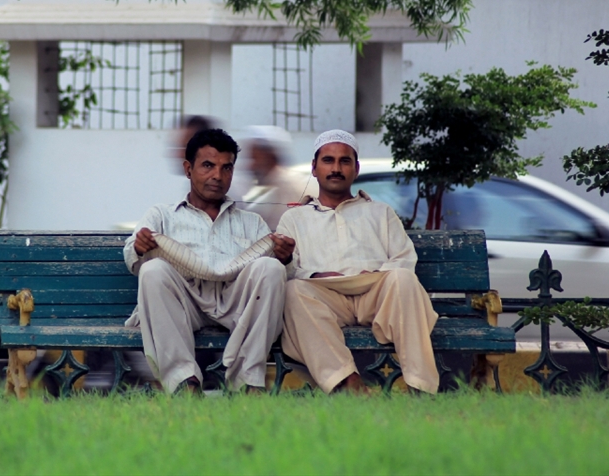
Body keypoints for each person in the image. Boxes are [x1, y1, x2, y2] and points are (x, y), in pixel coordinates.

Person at [123, 128, 293, 394]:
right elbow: (130, 255)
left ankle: (248, 380)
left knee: (270, 267)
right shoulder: (162, 215)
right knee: (153, 270)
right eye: (208, 166)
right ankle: (184, 381)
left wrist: (285, 257)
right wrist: (140, 246)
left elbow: (284, 273)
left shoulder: (251, 222)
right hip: (183, 301)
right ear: (188, 169)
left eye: (227, 168)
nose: (217, 176)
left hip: (236, 302)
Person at [275, 130, 440, 394]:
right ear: (314, 169)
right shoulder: (295, 218)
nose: (336, 168)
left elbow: (404, 259)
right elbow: (289, 272)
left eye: (345, 161)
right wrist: (300, 267)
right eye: (328, 161)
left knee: (404, 279)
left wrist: (377, 273)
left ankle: (421, 387)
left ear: (356, 169)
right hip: (326, 298)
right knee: (294, 292)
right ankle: (347, 381)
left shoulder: (380, 212)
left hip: (376, 295)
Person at [241, 126, 311, 230]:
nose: (250, 166)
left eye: (254, 158)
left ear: (269, 156)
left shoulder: (287, 187)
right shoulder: (269, 187)